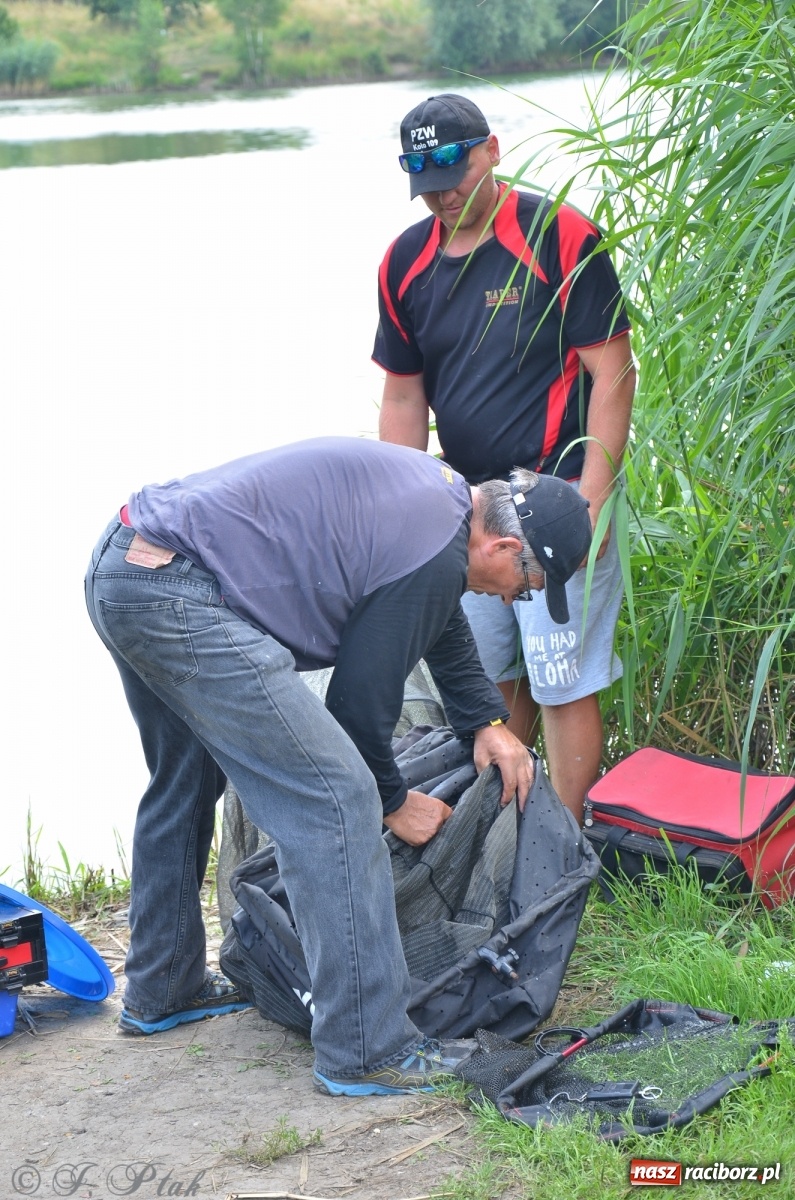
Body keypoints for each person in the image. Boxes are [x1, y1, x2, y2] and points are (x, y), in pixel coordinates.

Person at [84, 437, 591, 1096]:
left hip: (127, 566)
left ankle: (163, 985)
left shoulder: (439, 504)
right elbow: (357, 708)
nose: (512, 600)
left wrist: (484, 723)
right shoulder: (437, 549)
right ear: (500, 549)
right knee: (335, 802)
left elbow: (432, 617)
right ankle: (366, 1047)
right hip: (181, 592)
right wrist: (391, 800)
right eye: (527, 586)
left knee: (185, 778)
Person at [374, 93, 637, 824]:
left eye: (453, 174)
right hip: (464, 509)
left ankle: (566, 849)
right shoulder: (404, 261)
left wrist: (594, 496)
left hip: (555, 493)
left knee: (561, 678)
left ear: (491, 151)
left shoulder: (555, 235)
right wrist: (406, 511)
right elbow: (402, 399)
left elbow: (611, 371)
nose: (441, 194)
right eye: (424, 182)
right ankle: (502, 836)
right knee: (484, 680)